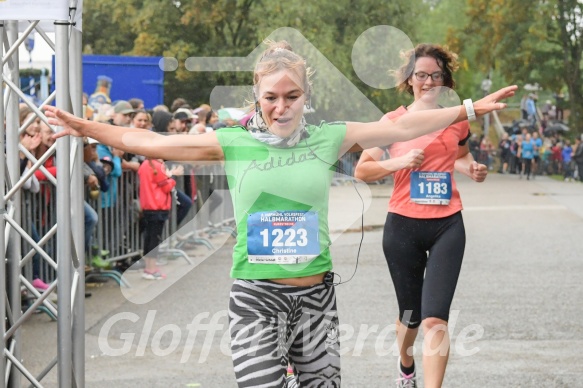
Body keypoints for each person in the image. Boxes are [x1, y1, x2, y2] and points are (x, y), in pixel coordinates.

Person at [44, 40, 515, 388]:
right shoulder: (233, 141)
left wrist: (468, 108)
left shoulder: (328, 136)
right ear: (257, 95)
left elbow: (404, 122)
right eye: (271, 97)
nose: (281, 105)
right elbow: (152, 143)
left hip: (316, 300)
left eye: (292, 96)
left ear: (305, 96)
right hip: (255, 299)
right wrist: (87, 127)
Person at [354, 43, 491, 388]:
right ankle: (405, 362)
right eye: (421, 75)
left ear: (445, 80)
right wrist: (398, 162)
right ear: (409, 80)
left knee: (435, 320)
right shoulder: (393, 121)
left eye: (436, 75)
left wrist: (470, 167)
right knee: (411, 318)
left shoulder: (456, 120)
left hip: (448, 224)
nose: (429, 81)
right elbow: (363, 170)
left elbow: (460, 156)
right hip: (403, 225)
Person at [137, 157, 176, 280]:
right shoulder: (158, 166)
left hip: (147, 205)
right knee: (154, 238)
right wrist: (172, 178)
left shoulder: (144, 164)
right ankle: (151, 269)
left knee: (149, 237)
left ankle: (149, 267)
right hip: (158, 205)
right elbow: (166, 187)